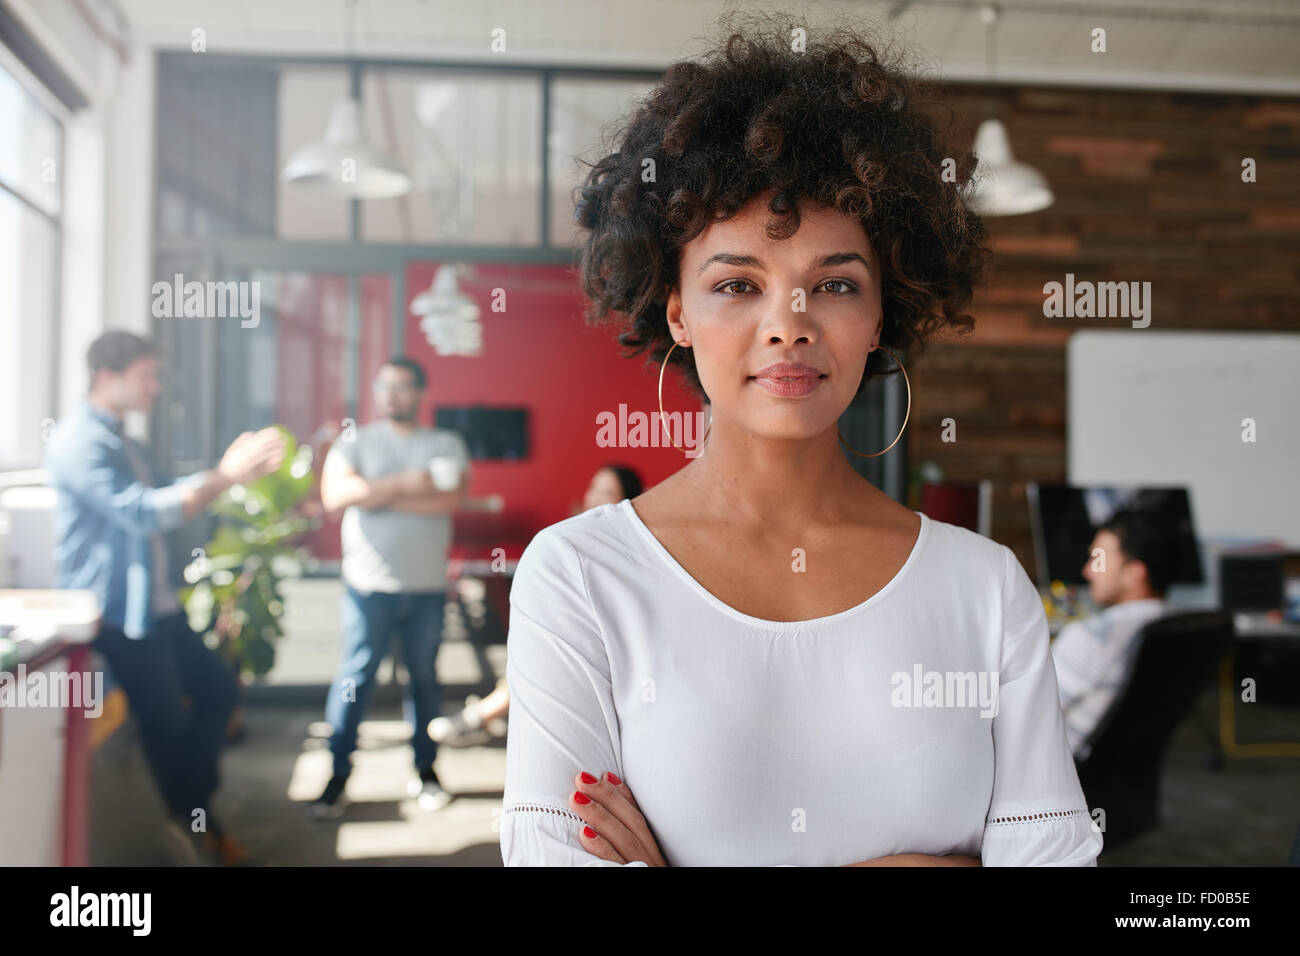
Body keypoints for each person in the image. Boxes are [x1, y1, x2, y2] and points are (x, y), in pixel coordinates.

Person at [500, 14, 1103, 866]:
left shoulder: (984, 590)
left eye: (834, 283)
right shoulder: (580, 579)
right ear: (677, 310)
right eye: (739, 283)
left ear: (879, 314)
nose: (789, 326)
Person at [45, 330, 286, 865]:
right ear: (107, 377)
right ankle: (200, 825)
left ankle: (192, 813)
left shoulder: (124, 439)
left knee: (219, 692)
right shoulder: (78, 442)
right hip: (118, 616)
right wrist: (225, 477)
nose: (156, 387)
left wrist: (223, 477)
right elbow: (143, 512)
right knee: (167, 728)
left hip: (156, 607)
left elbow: (167, 492)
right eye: (146, 377)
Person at [312, 357, 471, 818]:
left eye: (402, 387)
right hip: (368, 587)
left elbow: (450, 498)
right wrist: (407, 484)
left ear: (420, 393)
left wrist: (375, 494)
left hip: (425, 587)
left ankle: (426, 772)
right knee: (354, 679)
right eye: (384, 387)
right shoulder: (355, 441)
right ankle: (336, 776)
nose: (392, 395)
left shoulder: (444, 442)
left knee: (423, 680)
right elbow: (336, 496)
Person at [428, 463, 644, 746]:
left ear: (626, 501)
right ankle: (483, 716)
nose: (594, 497)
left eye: (606, 491)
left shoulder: (629, 549)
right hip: (569, 638)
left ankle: (480, 716)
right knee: (533, 655)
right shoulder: (572, 536)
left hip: (607, 649)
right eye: (594, 488)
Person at [1050, 509, 1176, 762]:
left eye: (1098, 560)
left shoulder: (1090, 638)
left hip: (1060, 775)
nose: (1088, 571)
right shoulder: (1179, 629)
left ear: (1135, 574)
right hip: (1128, 773)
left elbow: (1026, 718)